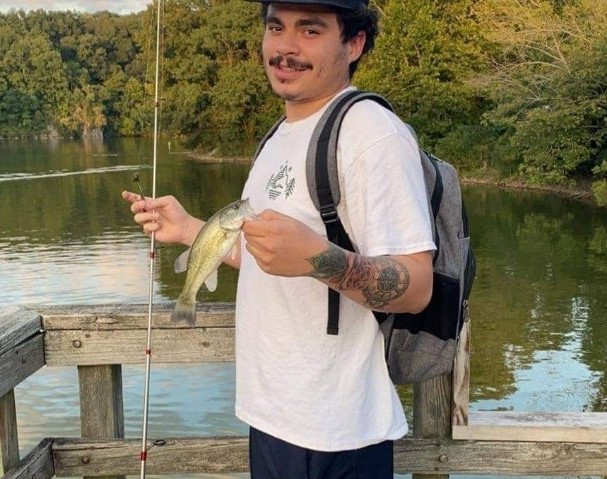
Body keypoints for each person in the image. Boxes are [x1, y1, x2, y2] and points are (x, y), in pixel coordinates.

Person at [123, 0, 435, 477]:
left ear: (354, 43)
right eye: (276, 27)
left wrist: (317, 257)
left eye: (310, 31)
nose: (285, 47)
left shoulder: (371, 134)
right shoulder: (280, 136)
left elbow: (416, 287)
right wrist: (188, 229)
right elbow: (270, 257)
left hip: (336, 433)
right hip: (272, 416)